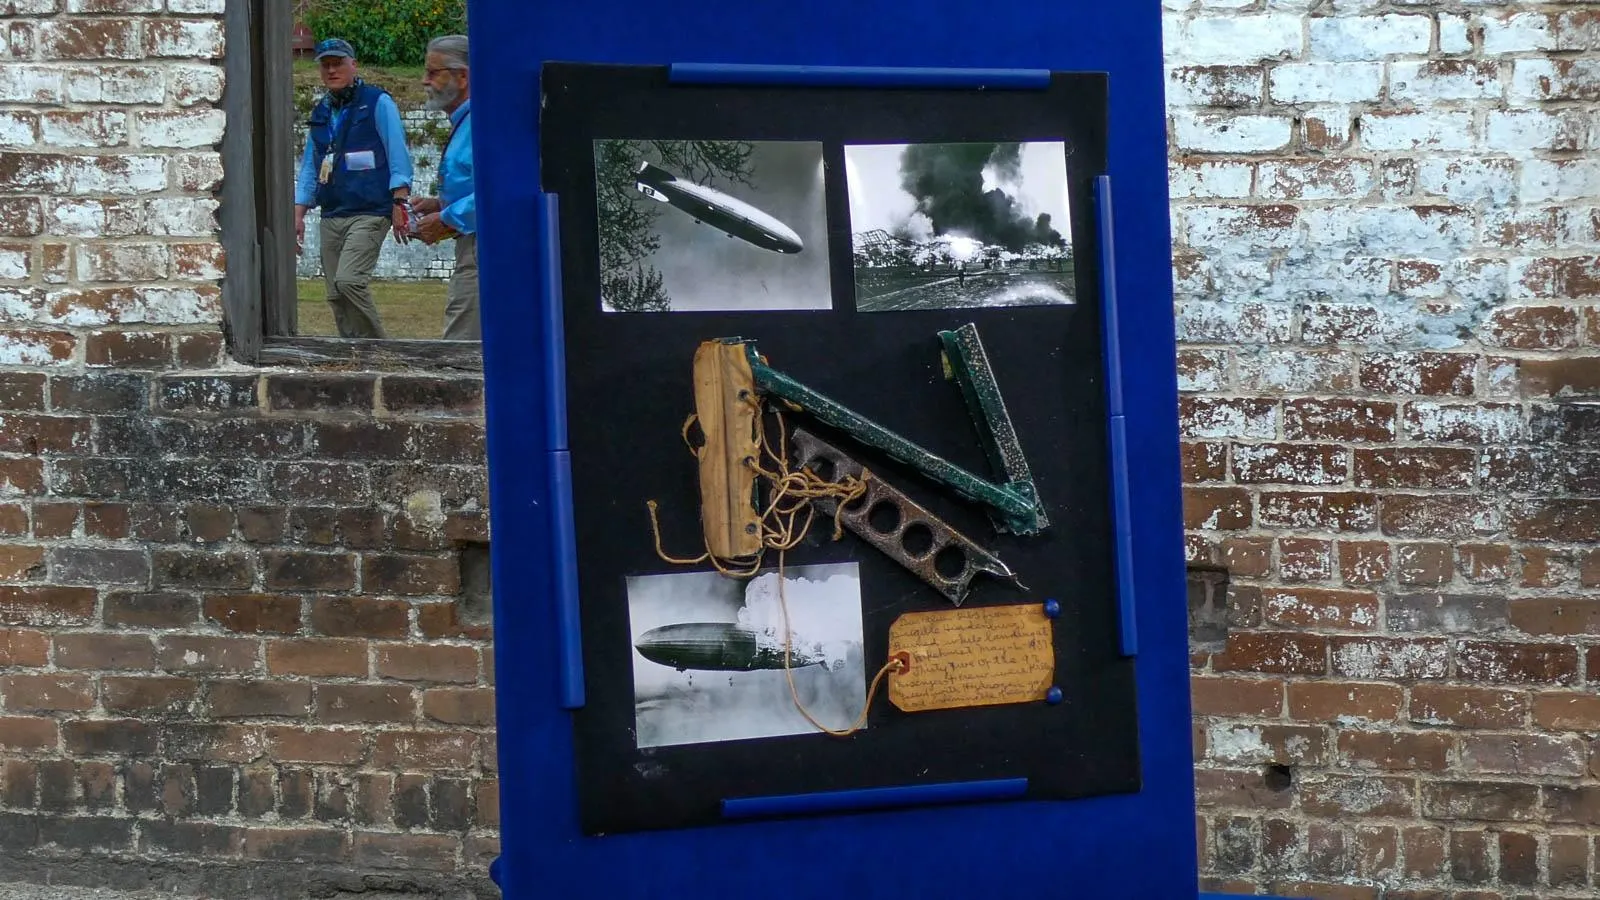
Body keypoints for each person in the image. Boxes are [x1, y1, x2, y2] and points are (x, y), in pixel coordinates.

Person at [293, 38, 414, 339]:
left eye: (338, 64)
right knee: (335, 293)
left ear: (353, 65)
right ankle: (353, 355)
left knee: (349, 281)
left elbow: (397, 153)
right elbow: (310, 165)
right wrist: (298, 212)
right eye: (326, 65)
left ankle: (380, 352)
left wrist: (399, 202)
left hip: (370, 210)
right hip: (332, 211)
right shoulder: (322, 111)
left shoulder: (377, 102)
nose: (331, 70)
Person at [410, 34, 478, 341]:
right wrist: (439, 205)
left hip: (481, 251)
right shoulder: (467, 122)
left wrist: (446, 218)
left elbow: (498, 191)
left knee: (460, 349)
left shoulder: (481, 125)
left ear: (462, 77)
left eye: (433, 72)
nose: (424, 81)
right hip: (472, 247)